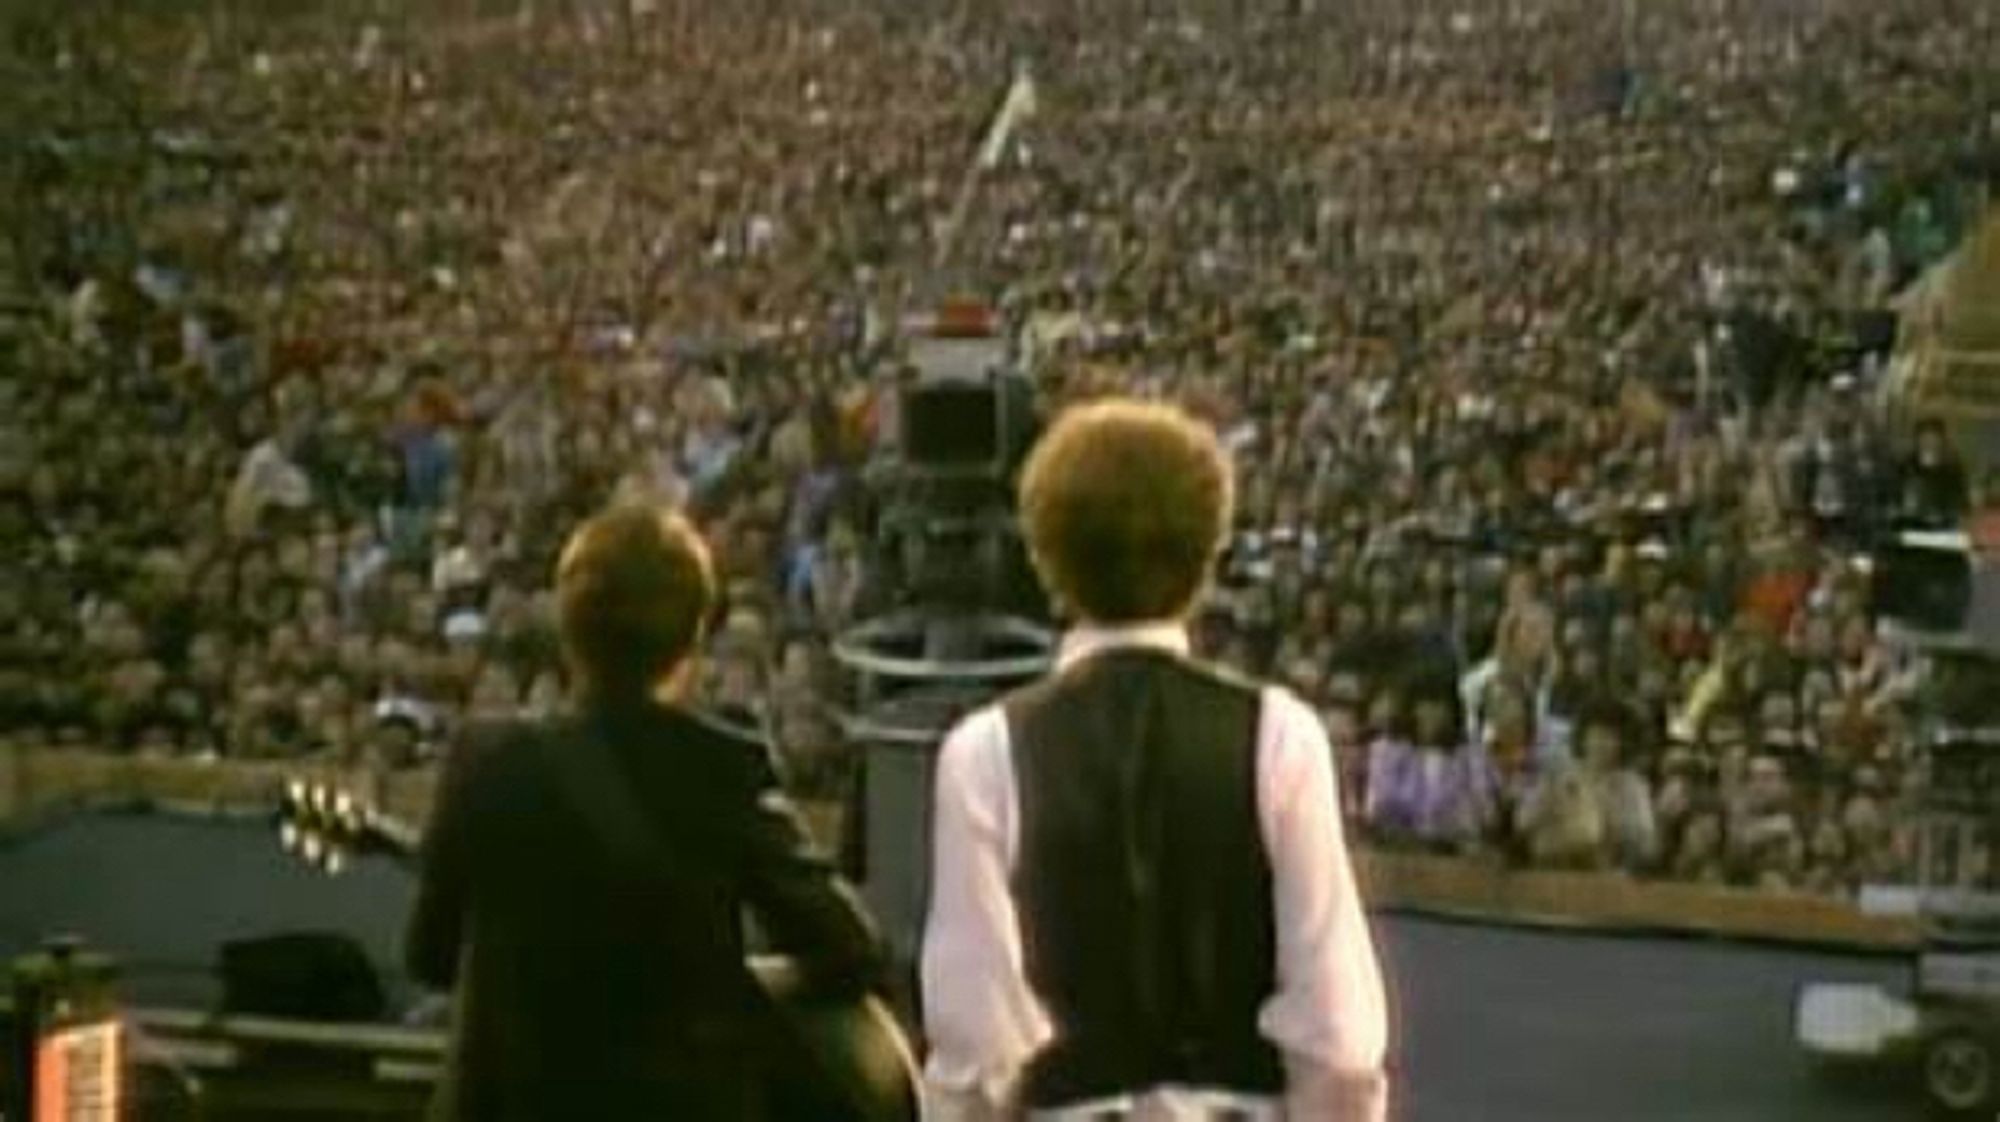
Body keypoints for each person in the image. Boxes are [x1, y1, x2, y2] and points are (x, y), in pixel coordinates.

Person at [921, 399, 1390, 1121]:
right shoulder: (1281, 736)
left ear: (1047, 558)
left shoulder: (984, 751)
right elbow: (1339, 1032)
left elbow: (977, 1037)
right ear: (1207, 554)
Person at [405, 503, 882, 1121]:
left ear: (569, 627)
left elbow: (431, 957)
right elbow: (847, 948)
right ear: (692, 640)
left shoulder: (485, 761)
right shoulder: (721, 768)